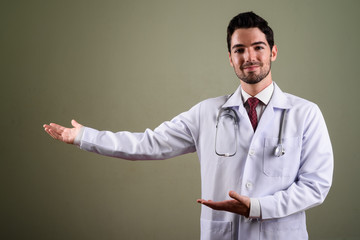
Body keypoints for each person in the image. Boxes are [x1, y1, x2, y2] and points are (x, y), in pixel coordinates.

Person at [43, 12, 333, 240]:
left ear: (273, 52)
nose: (249, 57)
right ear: (230, 58)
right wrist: (84, 136)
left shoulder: (305, 114)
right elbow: (149, 144)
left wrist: (256, 208)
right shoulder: (206, 113)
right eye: (239, 49)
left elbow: (315, 186)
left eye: (258, 47)